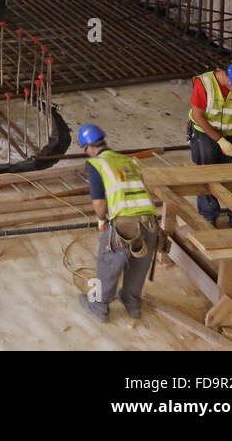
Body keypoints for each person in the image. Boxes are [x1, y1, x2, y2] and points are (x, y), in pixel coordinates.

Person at [75, 123, 161, 322]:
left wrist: (101, 219)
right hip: (150, 222)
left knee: (108, 261)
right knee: (139, 262)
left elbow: (99, 205)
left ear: (88, 147)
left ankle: (98, 305)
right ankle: (132, 302)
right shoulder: (128, 161)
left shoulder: (97, 164)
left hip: (125, 225)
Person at [188, 63, 232, 228]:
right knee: (208, 173)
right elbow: (197, 116)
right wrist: (219, 141)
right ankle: (208, 216)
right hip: (203, 132)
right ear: (230, 81)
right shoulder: (204, 83)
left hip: (228, 131)